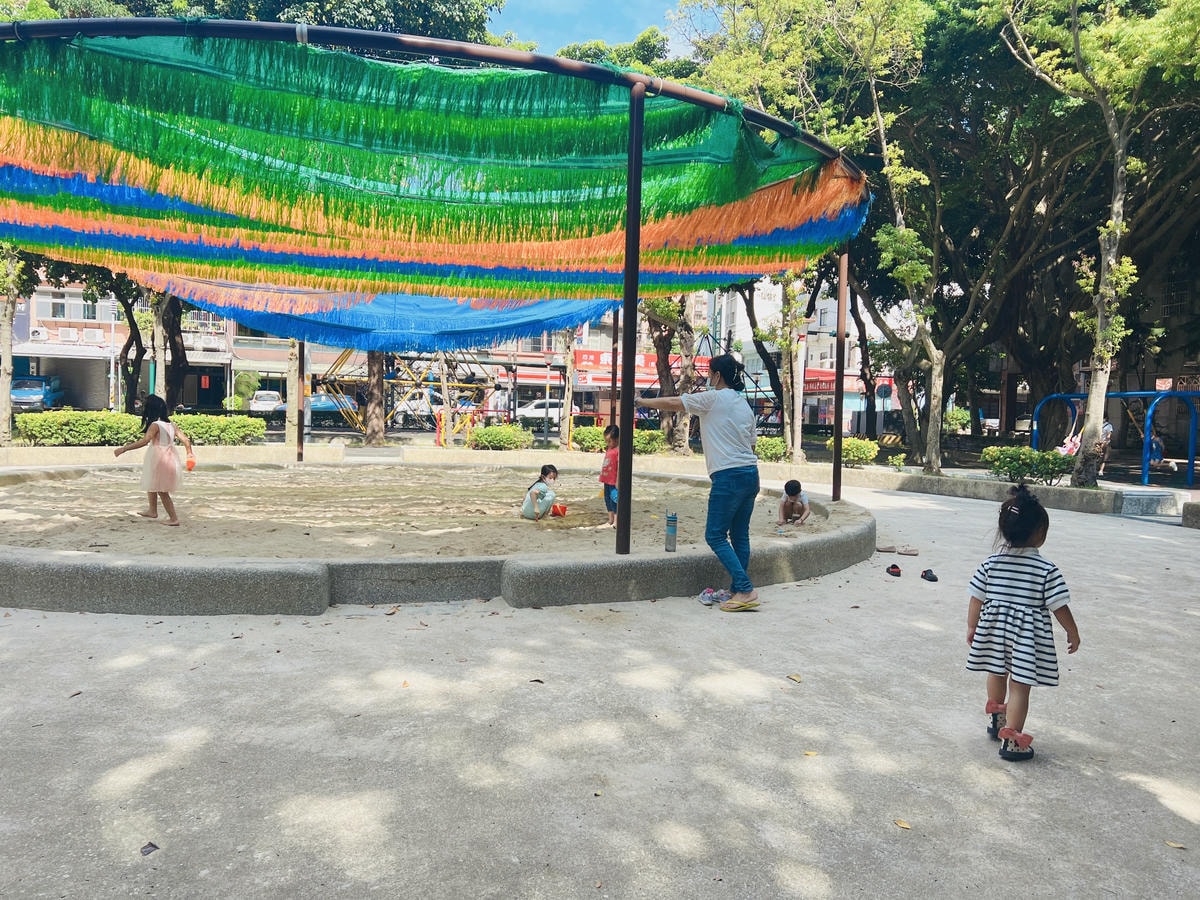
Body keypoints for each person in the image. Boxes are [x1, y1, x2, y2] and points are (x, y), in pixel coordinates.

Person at [636, 354, 760, 612]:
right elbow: (751, 446)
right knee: (740, 535)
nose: (707, 377)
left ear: (718, 375)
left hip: (728, 476)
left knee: (715, 535)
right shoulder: (744, 405)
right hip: (750, 474)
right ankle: (737, 590)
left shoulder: (713, 398)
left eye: (710, 373)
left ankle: (746, 589)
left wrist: (641, 401)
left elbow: (675, 402)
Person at [966, 484, 1080, 762]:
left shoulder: (990, 563)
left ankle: (998, 720)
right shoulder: (1046, 570)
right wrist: (1072, 631)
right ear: (1040, 533)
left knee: (996, 671)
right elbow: (1059, 606)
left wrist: (972, 627)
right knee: (1019, 685)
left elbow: (976, 598)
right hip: (1026, 637)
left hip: (994, 631)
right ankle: (1013, 741)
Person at [114, 394, 195, 526]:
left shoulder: (155, 425)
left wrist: (124, 449)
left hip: (158, 457)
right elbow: (186, 440)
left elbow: (144, 441)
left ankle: (173, 518)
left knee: (162, 490)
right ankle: (152, 510)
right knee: (152, 481)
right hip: (170, 457)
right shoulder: (172, 425)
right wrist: (189, 454)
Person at [599, 425, 620, 527]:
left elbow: (619, 466)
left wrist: (618, 481)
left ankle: (616, 521)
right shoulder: (609, 449)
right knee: (607, 498)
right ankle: (610, 519)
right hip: (606, 478)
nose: (608, 443)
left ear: (616, 439)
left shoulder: (618, 450)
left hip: (613, 480)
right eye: (606, 441)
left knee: (614, 499)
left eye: (609, 441)